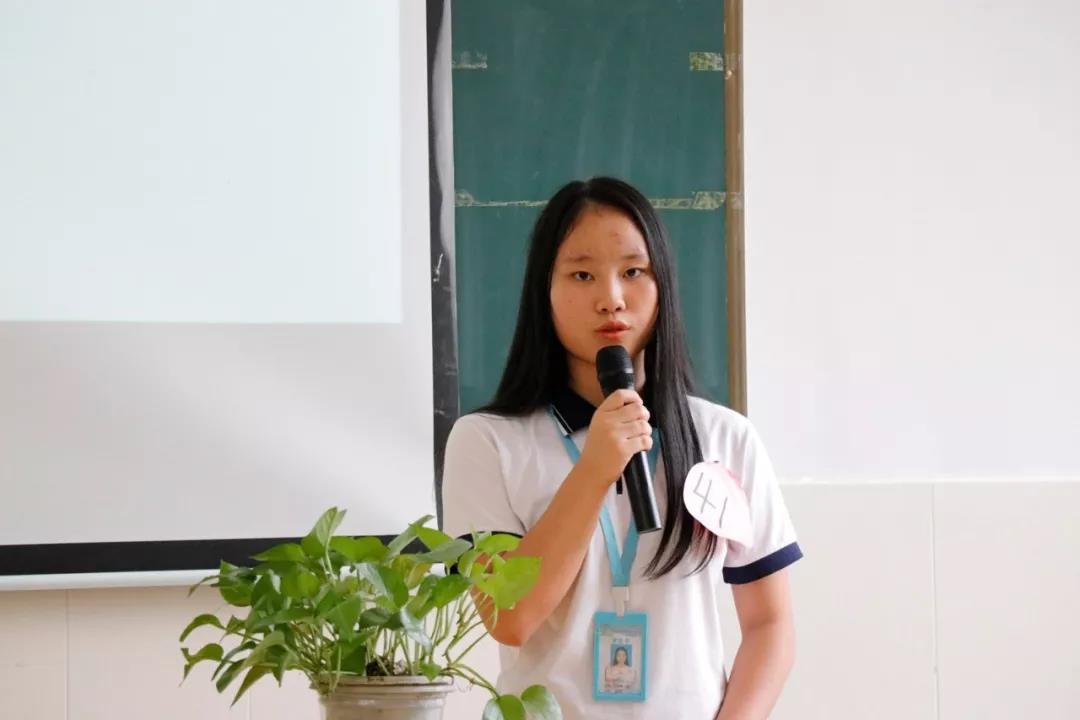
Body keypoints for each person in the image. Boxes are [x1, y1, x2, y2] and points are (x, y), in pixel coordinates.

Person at [442, 177, 802, 719]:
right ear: (544, 290)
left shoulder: (726, 437)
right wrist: (594, 470)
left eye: (633, 272)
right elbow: (509, 617)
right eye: (582, 274)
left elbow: (770, 623)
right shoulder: (487, 440)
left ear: (662, 285)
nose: (611, 298)